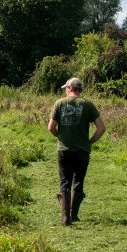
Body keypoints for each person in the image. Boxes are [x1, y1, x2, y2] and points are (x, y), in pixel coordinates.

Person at [48, 77, 105, 226]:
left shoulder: (59, 103)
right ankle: (74, 215)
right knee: (78, 181)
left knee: (65, 181)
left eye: (66, 88)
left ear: (70, 88)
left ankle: (65, 218)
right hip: (82, 151)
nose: (65, 91)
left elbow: (51, 127)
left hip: (64, 150)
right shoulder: (88, 105)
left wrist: (58, 135)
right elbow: (101, 128)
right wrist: (90, 141)